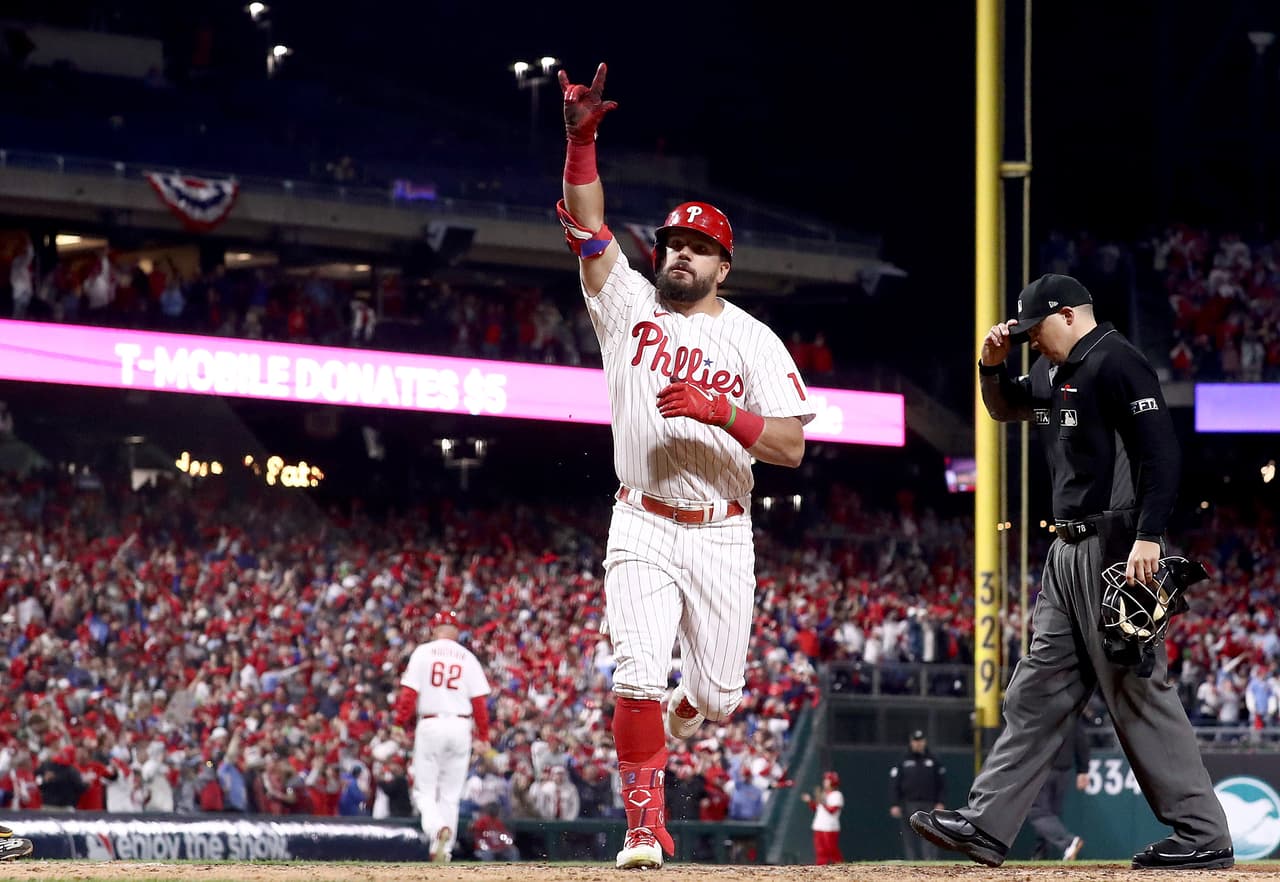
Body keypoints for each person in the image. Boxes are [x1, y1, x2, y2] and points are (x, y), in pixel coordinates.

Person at [555, 62, 814, 870]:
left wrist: (723, 413)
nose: (681, 256)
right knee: (633, 672)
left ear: (722, 267)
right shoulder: (624, 302)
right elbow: (588, 221)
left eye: (699, 249)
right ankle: (642, 829)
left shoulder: (756, 341)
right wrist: (583, 140)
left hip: (722, 531)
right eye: (673, 243)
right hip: (640, 517)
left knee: (717, 696)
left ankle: (686, 712)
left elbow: (792, 447)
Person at [909, 273, 1234, 870]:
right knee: (1036, 691)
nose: (1033, 344)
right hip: (1065, 553)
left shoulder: (1117, 361)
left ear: (1066, 316)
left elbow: (1162, 451)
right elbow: (1007, 407)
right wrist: (990, 366)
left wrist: (1149, 536)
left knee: (1137, 689)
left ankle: (1201, 833)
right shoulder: (1053, 371)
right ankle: (986, 825)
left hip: (1116, 546)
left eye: (1036, 333)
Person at [393, 610, 492, 864]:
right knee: (450, 795)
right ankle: (444, 850)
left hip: (431, 723)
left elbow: (408, 693)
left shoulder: (423, 652)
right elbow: (479, 702)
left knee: (424, 792)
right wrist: (484, 736)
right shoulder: (468, 657)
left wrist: (399, 723)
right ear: (456, 631)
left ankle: (437, 829)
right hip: (461, 726)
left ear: (435, 629)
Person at [1028, 716, 1090, 861]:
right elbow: (1081, 740)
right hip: (1063, 771)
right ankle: (1040, 855)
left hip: (1041, 770)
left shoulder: (1038, 709)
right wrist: (1083, 770)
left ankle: (1068, 842)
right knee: (1050, 816)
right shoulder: (1070, 710)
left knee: (1037, 812)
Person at [889, 730, 946, 860]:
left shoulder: (933, 760)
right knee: (909, 835)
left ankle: (930, 861)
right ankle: (911, 861)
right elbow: (894, 783)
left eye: (920, 741)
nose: (918, 744)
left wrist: (940, 801)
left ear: (924, 742)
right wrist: (894, 804)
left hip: (929, 803)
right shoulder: (903, 760)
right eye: (915, 741)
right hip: (908, 803)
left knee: (929, 833)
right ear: (911, 742)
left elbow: (942, 784)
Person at [801, 771, 844, 865]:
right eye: (825, 779)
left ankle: (841, 869)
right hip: (819, 826)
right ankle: (821, 871)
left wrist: (822, 800)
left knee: (831, 850)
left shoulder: (837, 795)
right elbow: (817, 808)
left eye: (827, 780)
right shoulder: (824, 794)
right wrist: (809, 801)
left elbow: (832, 810)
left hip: (830, 827)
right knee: (820, 852)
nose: (825, 781)